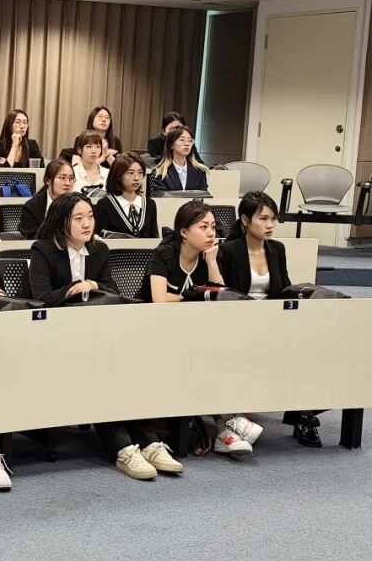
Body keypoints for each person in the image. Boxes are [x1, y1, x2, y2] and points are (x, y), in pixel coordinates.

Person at [30, 193, 182, 480]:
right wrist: (74, 289)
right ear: (61, 222)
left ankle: (149, 442)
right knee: (99, 372)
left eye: (90, 216)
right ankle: (122, 447)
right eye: (78, 218)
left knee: (126, 367)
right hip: (57, 336)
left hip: (98, 333)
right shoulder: (43, 249)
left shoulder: (99, 249)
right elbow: (40, 299)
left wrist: (93, 283)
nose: (87, 224)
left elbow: (112, 290)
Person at [142, 200, 263, 455]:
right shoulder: (164, 253)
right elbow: (159, 299)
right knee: (199, 357)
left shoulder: (209, 257)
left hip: (191, 331)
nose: (211, 233)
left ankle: (225, 428)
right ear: (184, 231)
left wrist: (212, 263)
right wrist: (193, 296)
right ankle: (228, 420)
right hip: (153, 331)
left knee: (220, 351)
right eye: (203, 227)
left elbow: (221, 296)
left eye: (213, 226)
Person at [219, 191, 322, 447]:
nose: (270, 225)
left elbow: (283, 288)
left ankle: (303, 415)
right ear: (245, 220)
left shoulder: (277, 249)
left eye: (273, 219)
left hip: (273, 321)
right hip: (238, 323)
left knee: (312, 348)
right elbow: (225, 294)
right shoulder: (229, 250)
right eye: (263, 219)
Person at [93, 152, 159, 238]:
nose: (136, 178)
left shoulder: (150, 204)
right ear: (118, 175)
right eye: (131, 173)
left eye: (140, 172)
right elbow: (99, 238)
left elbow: (154, 238)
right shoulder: (105, 204)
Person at [18, 159, 74, 239]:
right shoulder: (31, 207)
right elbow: (31, 238)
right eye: (62, 178)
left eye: (71, 178)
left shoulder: (78, 205)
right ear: (47, 180)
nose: (68, 183)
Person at [152, 126, 209, 193]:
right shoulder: (159, 172)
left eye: (190, 141)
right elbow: (158, 196)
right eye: (182, 140)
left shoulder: (199, 171)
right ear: (171, 145)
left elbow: (204, 195)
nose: (187, 144)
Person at [71, 130, 109, 198]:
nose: (94, 151)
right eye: (89, 146)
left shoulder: (108, 174)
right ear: (79, 150)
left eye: (98, 147)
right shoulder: (72, 173)